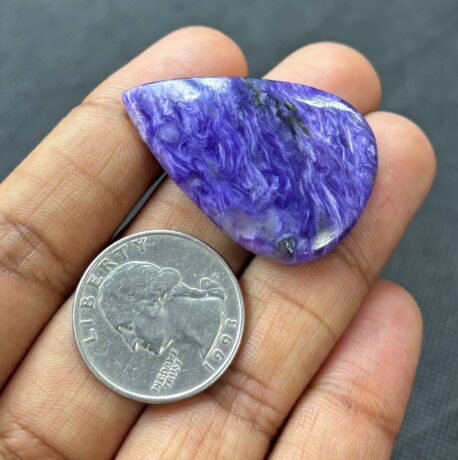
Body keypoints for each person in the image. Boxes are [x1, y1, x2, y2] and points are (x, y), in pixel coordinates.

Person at [0, 27, 435, 459]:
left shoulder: (313, 144)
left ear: (154, 300)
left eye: (128, 328)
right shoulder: (187, 118)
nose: (131, 344)